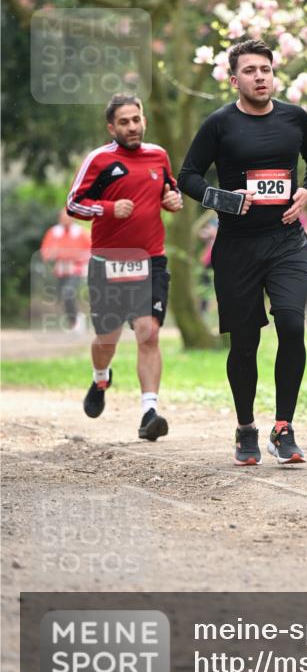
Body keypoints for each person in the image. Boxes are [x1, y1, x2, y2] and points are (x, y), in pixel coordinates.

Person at [178, 38, 307, 467]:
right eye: (249, 71)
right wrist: (222, 198)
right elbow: (186, 175)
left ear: (273, 74)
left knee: (292, 324)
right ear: (234, 79)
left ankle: (284, 428)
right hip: (237, 248)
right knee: (244, 343)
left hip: (286, 242)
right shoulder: (220, 125)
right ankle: (246, 428)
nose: (259, 77)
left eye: (265, 69)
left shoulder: (295, 117)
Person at [67, 94, 183, 441]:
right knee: (108, 337)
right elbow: (74, 202)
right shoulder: (99, 160)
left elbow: (170, 191)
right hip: (109, 262)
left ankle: (149, 412)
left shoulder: (158, 155)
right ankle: (101, 377)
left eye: (136, 119)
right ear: (111, 127)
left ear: (143, 120)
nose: (132, 127)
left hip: (151, 260)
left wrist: (173, 200)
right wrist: (107, 208)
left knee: (148, 331)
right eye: (124, 122)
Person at [40, 208, 91, 330]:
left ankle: (75, 321)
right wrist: (53, 254)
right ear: (59, 218)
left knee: (68, 293)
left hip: (76, 269)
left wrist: (76, 256)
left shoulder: (81, 232)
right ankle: (74, 320)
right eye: (64, 217)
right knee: (62, 297)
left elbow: (90, 251)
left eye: (69, 217)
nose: (66, 219)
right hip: (60, 270)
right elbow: (45, 252)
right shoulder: (53, 232)